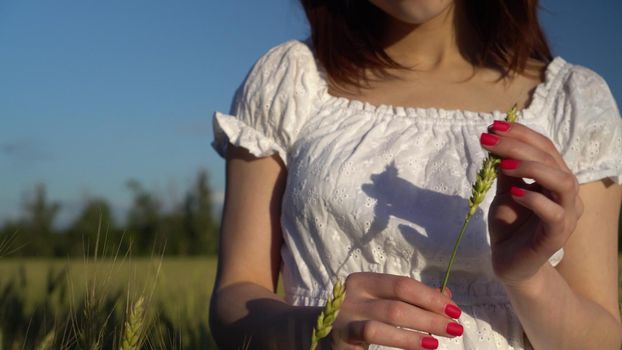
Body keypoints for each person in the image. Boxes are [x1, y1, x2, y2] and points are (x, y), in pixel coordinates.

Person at [209, 0, 622, 349]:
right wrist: (313, 329)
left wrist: (529, 278)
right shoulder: (289, 80)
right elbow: (236, 293)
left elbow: (603, 339)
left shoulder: (572, 102)